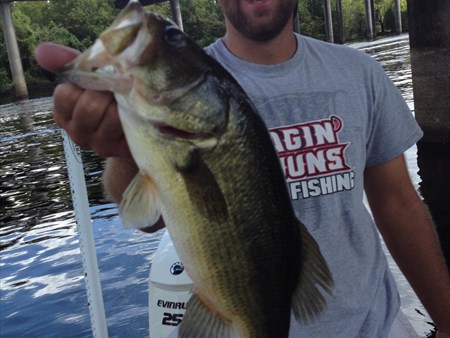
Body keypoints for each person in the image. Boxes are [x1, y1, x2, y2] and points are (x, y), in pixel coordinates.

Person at [35, 0, 450, 337]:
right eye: (172, 42)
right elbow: (148, 219)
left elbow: (398, 204)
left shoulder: (360, 72)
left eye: (173, 39)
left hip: (374, 326)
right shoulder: (181, 90)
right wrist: (126, 149)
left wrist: (446, 321)